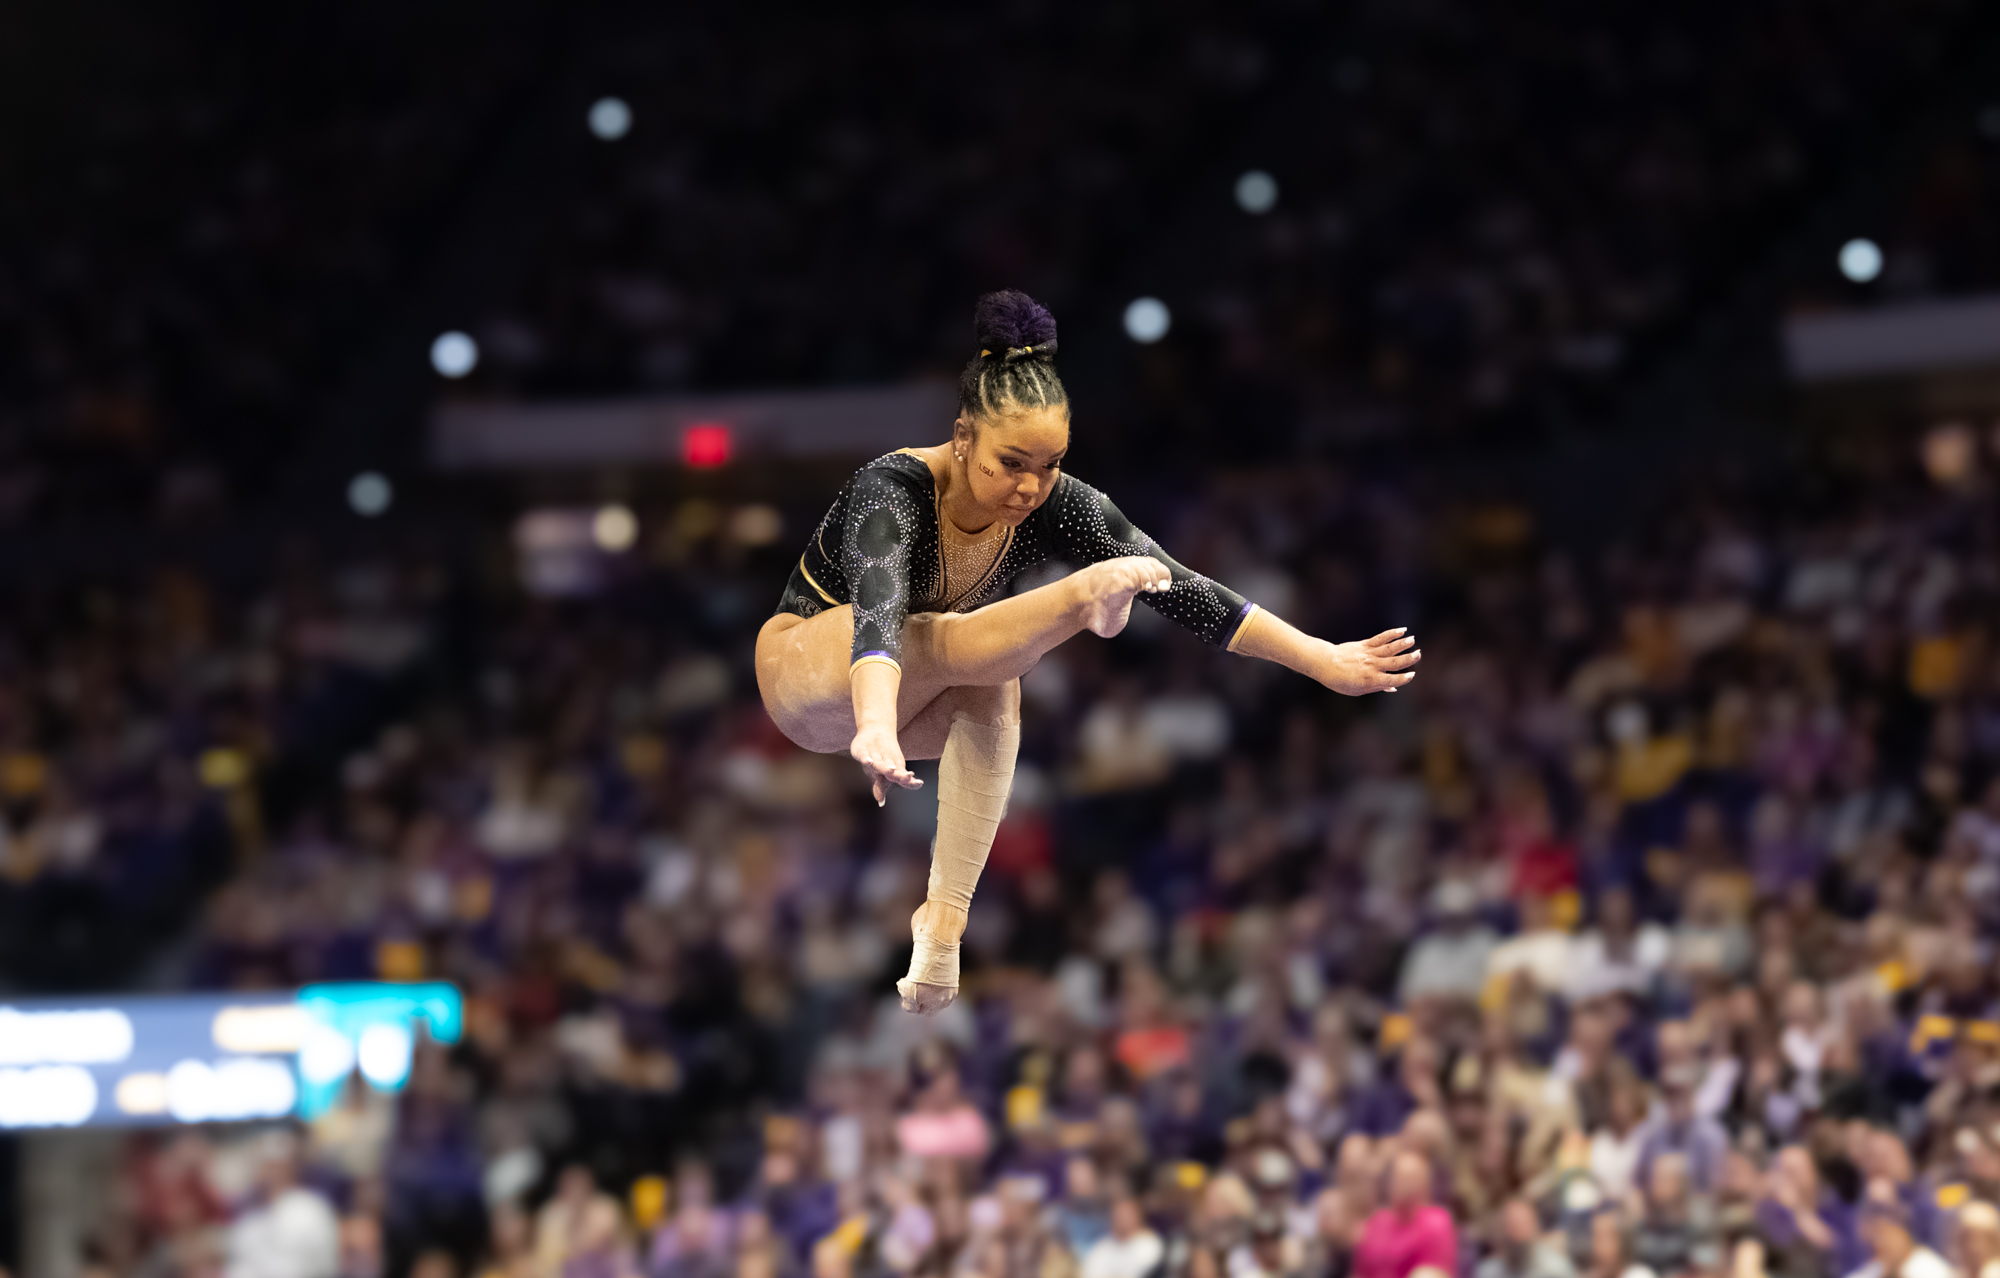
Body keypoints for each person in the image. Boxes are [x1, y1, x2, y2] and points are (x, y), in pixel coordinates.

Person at [755, 290, 1420, 1013]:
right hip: (811, 673)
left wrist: (1323, 660)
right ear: (963, 436)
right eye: (1012, 462)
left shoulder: (1056, 502)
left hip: (907, 694)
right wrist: (878, 724)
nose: (1031, 487)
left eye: (1050, 465)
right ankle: (1080, 602)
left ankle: (944, 919)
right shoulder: (895, 488)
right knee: (941, 637)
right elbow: (879, 613)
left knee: (996, 680)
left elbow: (1189, 590)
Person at [1352, 1152, 1457, 1278]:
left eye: (1409, 1178)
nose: (1403, 1184)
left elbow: (1437, 1273)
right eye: (1398, 1177)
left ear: (1424, 1184)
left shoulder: (1437, 1222)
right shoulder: (1376, 1221)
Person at [1475, 1199, 1576, 1278]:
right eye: (1511, 1226)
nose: (1515, 1234)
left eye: (1521, 1225)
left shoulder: (1555, 1270)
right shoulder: (1487, 1272)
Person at [1081, 1196, 1164, 1278]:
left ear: (1137, 1216)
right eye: (1118, 1214)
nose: (1121, 1218)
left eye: (1126, 1214)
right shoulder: (1101, 1248)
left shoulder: (1149, 1244)